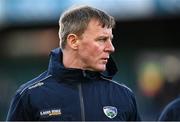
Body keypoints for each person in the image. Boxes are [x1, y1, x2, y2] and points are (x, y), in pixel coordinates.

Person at [6, 5, 141, 121]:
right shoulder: (29, 96)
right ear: (73, 41)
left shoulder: (124, 95)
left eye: (110, 39)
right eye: (102, 39)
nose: (111, 48)